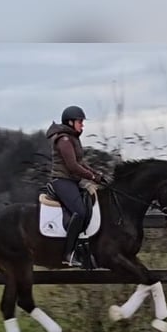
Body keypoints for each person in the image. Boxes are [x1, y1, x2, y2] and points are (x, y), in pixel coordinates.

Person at [45, 105, 104, 267]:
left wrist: (98, 176)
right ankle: (68, 253)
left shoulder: (72, 138)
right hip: (62, 180)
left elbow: (81, 163)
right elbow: (72, 166)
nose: (82, 125)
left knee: (89, 205)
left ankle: (83, 246)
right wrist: (92, 177)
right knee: (80, 211)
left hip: (72, 181)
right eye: (80, 122)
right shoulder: (64, 139)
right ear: (70, 122)